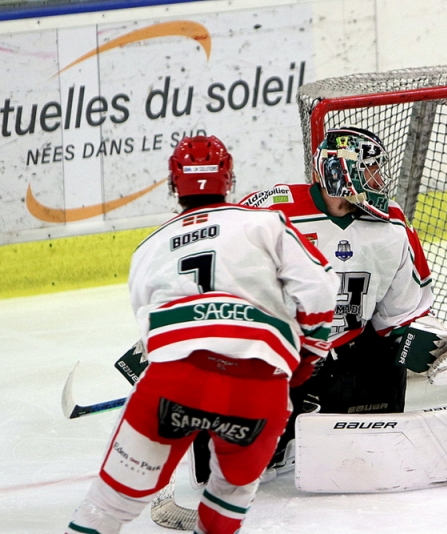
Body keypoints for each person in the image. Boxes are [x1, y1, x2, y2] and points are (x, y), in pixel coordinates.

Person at [66, 135, 339, 534]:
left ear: (175, 184)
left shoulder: (148, 248)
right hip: (258, 388)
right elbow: (319, 290)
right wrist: (306, 359)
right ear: (228, 179)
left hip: (175, 383)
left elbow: (149, 329)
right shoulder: (264, 222)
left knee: (105, 509)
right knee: (229, 496)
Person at [239, 126, 436, 475]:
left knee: (367, 458)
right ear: (340, 171)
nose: (378, 178)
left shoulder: (391, 225)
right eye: (370, 168)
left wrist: (426, 345)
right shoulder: (272, 213)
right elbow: (217, 264)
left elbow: (403, 314)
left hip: (350, 356)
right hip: (282, 356)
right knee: (253, 466)